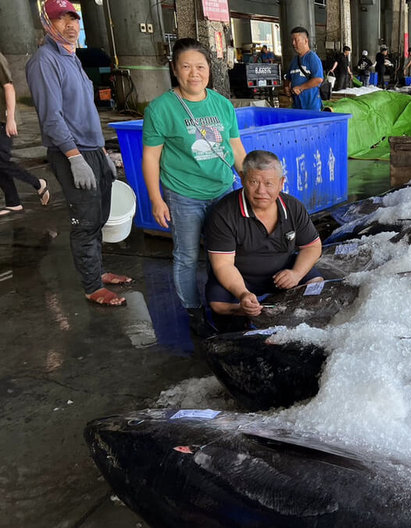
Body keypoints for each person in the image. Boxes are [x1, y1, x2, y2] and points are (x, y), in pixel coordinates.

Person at [26, 0, 130, 306]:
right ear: (47, 23)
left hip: (92, 149)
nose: (71, 25)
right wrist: (75, 158)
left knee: (99, 216)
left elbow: (84, 113)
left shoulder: (73, 58)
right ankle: (91, 285)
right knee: (84, 221)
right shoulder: (44, 61)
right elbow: (52, 118)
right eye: (62, 20)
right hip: (71, 152)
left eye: (74, 18)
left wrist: (102, 154)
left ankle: (97, 271)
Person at [141, 37, 246, 335]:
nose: (194, 73)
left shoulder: (223, 105)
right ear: (175, 69)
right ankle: (193, 310)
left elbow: (236, 149)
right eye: (186, 67)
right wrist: (156, 199)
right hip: (183, 194)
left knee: (224, 253)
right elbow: (151, 158)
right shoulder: (160, 109)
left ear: (209, 70)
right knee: (187, 256)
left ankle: (220, 300)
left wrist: (252, 181)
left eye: (200, 66)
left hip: (223, 190)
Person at [204, 150, 323, 329]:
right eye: (254, 182)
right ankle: (252, 311)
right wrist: (243, 294)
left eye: (269, 183)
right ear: (242, 178)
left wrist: (296, 274)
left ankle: (283, 311)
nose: (261, 191)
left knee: (317, 285)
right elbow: (223, 265)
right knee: (218, 306)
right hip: (241, 277)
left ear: (281, 183)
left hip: (282, 273)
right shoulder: (223, 213)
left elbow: (313, 247)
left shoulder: (293, 207)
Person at [0, 51, 49, 215]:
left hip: (2, 120)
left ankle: (38, 183)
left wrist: (11, 118)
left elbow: (9, 87)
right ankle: (13, 202)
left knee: (2, 161)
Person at [287, 26, 324, 110]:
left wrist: (300, 87)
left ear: (306, 41)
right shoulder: (294, 60)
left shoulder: (312, 58)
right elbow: (288, 77)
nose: (293, 43)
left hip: (310, 105)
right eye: (292, 40)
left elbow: (318, 79)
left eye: (296, 40)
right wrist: (286, 87)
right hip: (297, 105)